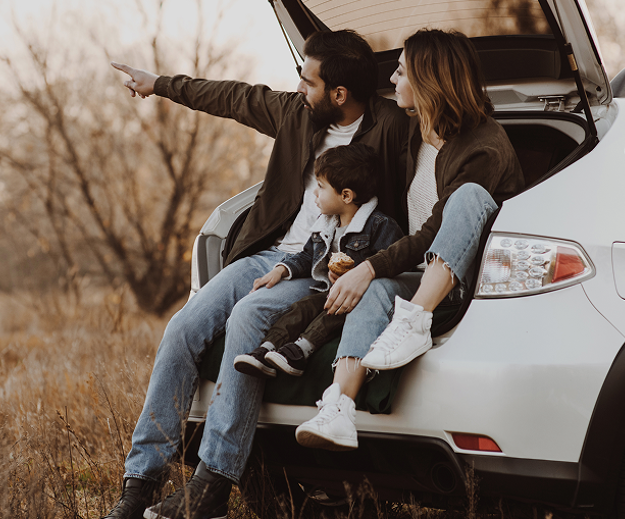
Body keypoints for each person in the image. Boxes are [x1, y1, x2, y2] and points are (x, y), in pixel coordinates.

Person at [101, 30, 410, 519]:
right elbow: (232, 97)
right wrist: (158, 83)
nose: (298, 88)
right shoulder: (297, 114)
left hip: (324, 267)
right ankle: (141, 480)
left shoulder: (391, 126)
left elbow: (438, 148)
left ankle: (213, 486)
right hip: (267, 256)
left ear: (340, 94)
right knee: (181, 328)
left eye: (308, 81)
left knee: (247, 317)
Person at [294, 29, 526, 451]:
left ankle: (413, 321)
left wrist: (369, 266)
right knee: (376, 289)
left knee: (468, 197)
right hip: (416, 277)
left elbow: (434, 230)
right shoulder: (415, 136)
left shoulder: (484, 147)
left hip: (461, 286)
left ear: (428, 81)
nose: (393, 81)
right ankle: (338, 407)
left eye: (400, 72)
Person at [233, 144, 403, 378]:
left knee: (331, 314)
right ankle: (266, 350)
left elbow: (391, 266)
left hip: (357, 300)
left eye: (321, 187)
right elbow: (306, 256)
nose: (314, 193)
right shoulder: (326, 225)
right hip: (331, 292)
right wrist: (281, 270)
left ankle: (300, 351)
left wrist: (356, 275)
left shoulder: (380, 226)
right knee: (302, 307)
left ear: (345, 195)